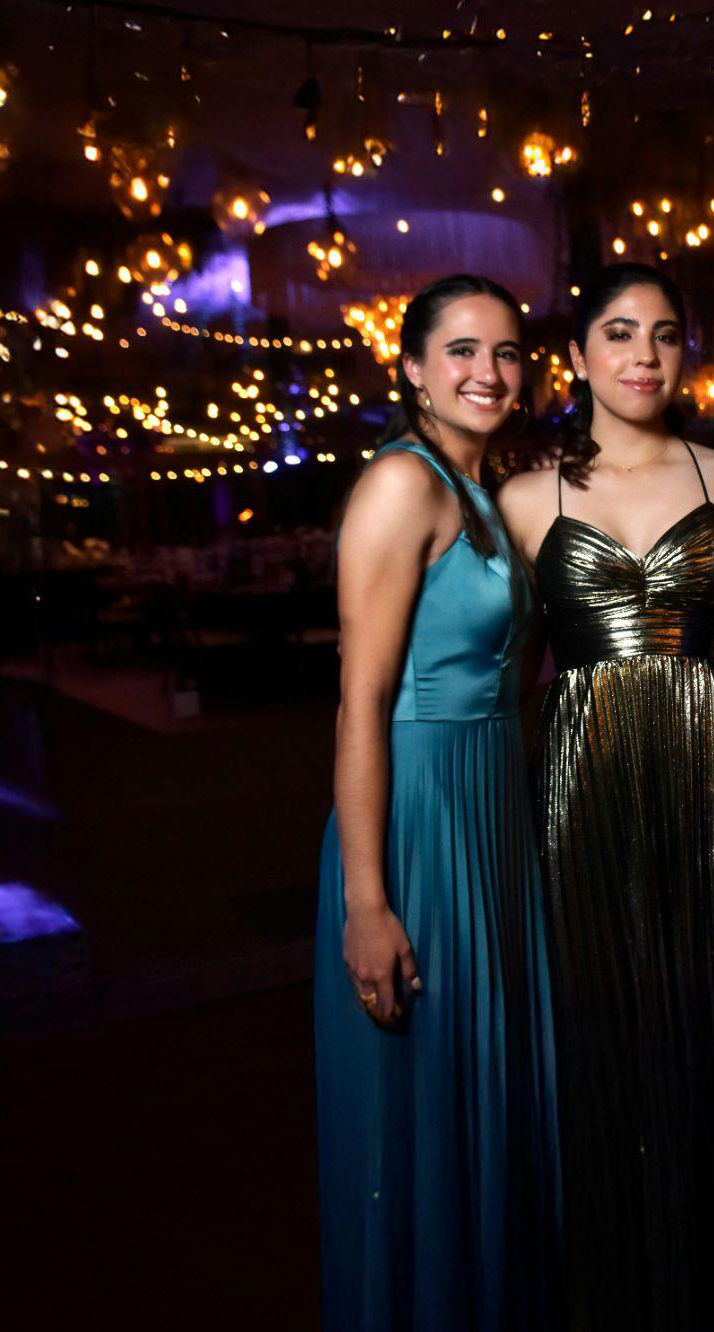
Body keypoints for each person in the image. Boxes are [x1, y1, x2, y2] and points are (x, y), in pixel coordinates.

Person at [497, 263, 714, 1332]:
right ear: (579, 355)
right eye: (619, 332)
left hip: (710, 779)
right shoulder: (522, 494)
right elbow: (496, 671)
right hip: (581, 792)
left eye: (665, 334)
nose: (643, 354)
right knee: (605, 1039)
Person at [314, 275, 559, 1332]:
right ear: (409, 366)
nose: (486, 373)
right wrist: (367, 900)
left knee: (486, 1086)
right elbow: (361, 702)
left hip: (492, 806)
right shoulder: (399, 488)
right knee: (423, 1098)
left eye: (506, 353)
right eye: (460, 351)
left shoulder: (486, 489)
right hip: (415, 814)